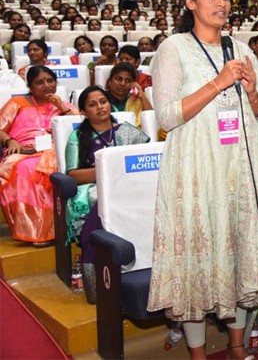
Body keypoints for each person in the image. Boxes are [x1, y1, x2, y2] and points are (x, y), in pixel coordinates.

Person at [147, 0, 258, 359]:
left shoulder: (241, 49)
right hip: (196, 171)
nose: (222, 3)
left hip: (239, 171)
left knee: (239, 254)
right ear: (190, 2)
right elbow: (167, 116)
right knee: (199, 260)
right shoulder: (173, 48)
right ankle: (197, 354)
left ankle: (238, 348)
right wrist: (219, 83)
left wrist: (253, 92)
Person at [65, 85, 150, 302]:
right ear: (83, 111)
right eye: (92, 104)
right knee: (100, 201)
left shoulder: (127, 131)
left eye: (103, 101)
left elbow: (145, 159)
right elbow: (73, 174)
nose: (100, 107)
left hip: (129, 187)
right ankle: (97, 281)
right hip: (95, 189)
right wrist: (107, 170)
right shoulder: (77, 136)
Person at [0, 66, 78, 244]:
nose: (46, 86)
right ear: (30, 86)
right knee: (24, 168)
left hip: (54, 150)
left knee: (50, 167)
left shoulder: (64, 106)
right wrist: (11, 141)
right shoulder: (18, 103)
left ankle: (57, 229)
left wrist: (60, 106)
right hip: (22, 150)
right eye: (39, 82)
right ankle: (35, 230)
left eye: (50, 81)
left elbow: (78, 125)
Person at [104, 62, 153, 127]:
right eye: (119, 79)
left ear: (133, 84)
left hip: (135, 136)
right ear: (109, 81)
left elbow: (151, 120)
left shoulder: (137, 100)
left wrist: (142, 97)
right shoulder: (101, 100)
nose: (122, 84)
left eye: (127, 80)